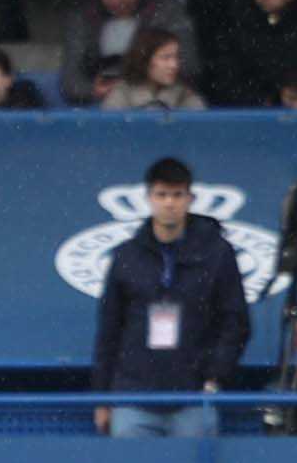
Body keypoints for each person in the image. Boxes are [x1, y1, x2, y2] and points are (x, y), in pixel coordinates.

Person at [85, 154, 251, 435]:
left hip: (194, 398)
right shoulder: (126, 255)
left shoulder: (217, 253)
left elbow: (235, 321)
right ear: (149, 198)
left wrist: (213, 377)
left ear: (190, 198)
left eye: (177, 194)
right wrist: (103, 398)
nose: (170, 203)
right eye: (161, 195)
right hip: (134, 397)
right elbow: (109, 328)